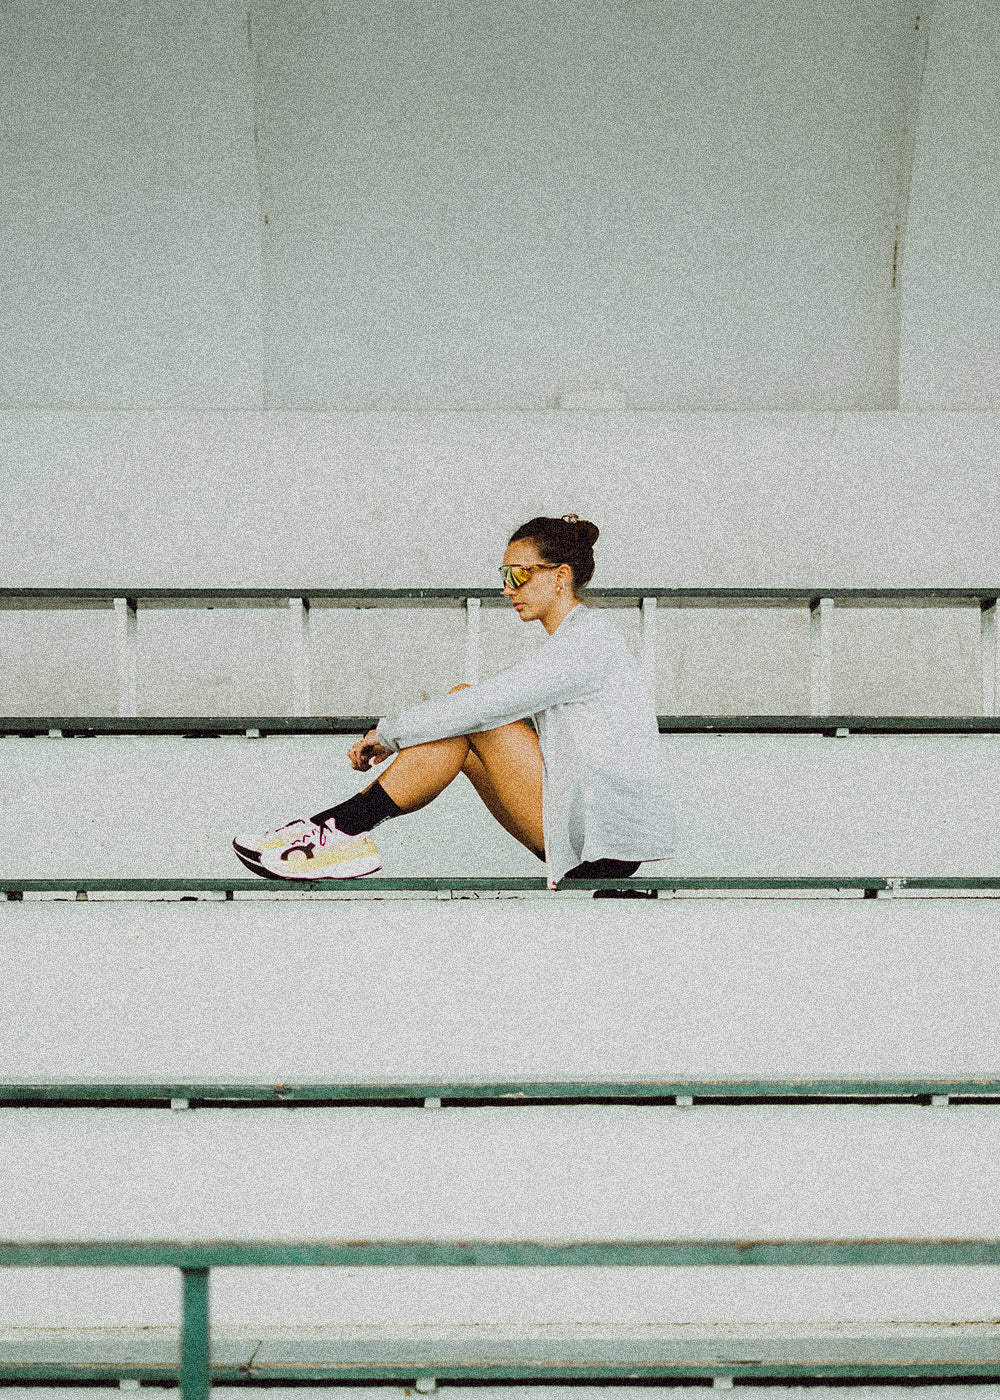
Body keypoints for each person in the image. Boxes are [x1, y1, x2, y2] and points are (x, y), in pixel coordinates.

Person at [233, 514, 677, 894]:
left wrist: (387, 733)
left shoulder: (587, 643)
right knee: (460, 722)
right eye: (503, 577)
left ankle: (337, 830)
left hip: (602, 842)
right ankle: (336, 832)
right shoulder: (579, 640)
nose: (507, 589)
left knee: (469, 710)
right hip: (587, 833)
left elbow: (485, 705)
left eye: (518, 575)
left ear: (560, 577)